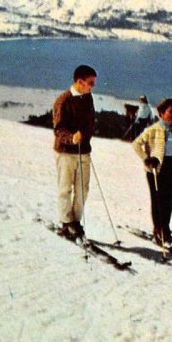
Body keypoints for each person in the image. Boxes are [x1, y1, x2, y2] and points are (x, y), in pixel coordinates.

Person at [133, 98, 172, 245]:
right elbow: (136, 144)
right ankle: (158, 230)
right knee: (158, 201)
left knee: (169, 200)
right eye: (170, 111)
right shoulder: (153, 129)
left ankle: (166, 229)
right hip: (156, 169)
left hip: (171, 167)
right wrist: (147, 158)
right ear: (162, 112)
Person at [52, 65, 97, 239]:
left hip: (83, 151)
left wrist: (85, 139)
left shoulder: (88, 98)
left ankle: (76, 221)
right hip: (65, 152)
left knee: (83, 189)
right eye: (90, 83)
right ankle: (66, 222)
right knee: (65, 189)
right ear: (80, 82)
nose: (92, 87)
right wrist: (71, 138)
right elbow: (58, 129)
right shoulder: (63, 100)